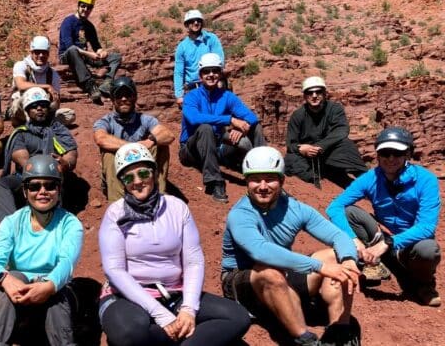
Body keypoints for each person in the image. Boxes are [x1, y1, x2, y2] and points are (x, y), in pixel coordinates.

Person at [98, 143, 250, 346]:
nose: (137, 182)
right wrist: (160, 314)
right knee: (129, 333)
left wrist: (188, 309)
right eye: (128, 177)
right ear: (122, 182)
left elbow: (193, 261)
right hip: (126, 296)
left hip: (174, 293)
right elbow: (114, 270)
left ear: (153, 173)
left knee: (237, 317)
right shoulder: (115, 213)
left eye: (143, 173)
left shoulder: (177, 208)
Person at [221, 147, 361, 346]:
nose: (262, 186)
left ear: (281, 180)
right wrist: (319, 267)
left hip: (282, 275)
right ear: (246, 181)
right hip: (243, 281)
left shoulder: (295, 209)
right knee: (269, 271)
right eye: (255, 179)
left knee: (336, 257)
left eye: (269, 178)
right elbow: (260, 250)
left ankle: (340, 332)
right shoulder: (240, 214)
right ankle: (304, 339)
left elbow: (338, 235)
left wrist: (348, 260)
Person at [327, 127, 441, 307]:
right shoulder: (370, 178)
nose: (390, 158)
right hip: (382, 236)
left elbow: (426, 227)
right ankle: (373, 265)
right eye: (385, 153)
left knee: (428, 250)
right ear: (378, 155)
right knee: (349, 212)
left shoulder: (426, 180)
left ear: (407, 154)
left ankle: (423, 284)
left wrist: (388, 244)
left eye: (397, 153)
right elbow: (335, 207)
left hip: (410, 243)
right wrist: (353, 239)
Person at [0, 154, 84, 346]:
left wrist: (48, 285)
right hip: (20, 294)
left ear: (59, 190)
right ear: (24, 191)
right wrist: (6, 280)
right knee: (9, 280)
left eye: (50, 185)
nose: (42, 192)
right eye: (34, 186)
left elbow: (66, 263)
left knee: (58, 290)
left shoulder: (70, 224)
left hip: (54, 291)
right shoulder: (11, 223)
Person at [178, 53, 266, 203]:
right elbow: (194, 119)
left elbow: (251, 117)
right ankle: (215, 182)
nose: (211, 74)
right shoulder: (191, 97)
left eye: (215, 70)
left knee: (255, 127)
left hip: (216, 147)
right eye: (206, 71)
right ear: (200, 75)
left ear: (220, 74)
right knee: (205, 127)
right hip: (190, 151)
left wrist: (241, 128)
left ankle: (264, 171)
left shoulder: (227, 96)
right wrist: (230, 119)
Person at [0, 87, 78, 223]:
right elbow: (21, 158)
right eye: (34, 106)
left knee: (52, 184)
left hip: (53, 178)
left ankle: (49, 221)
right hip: (25, 178)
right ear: (27, 111)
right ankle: (11, 226)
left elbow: (71, 153)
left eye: (43, 105)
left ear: (48, 108)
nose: (39, 108)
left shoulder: (59, 130)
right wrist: (39, 171)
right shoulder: (21, 133)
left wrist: (66, 163)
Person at [93, 76, 174, 202]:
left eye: (128, 95)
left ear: (134, 98)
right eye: (119, 96)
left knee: (160, 144)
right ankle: (119, 205)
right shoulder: (105, 121)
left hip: (142, 171)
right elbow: (101, 138)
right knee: (108, 154)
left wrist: (151, 140)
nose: (124, 99)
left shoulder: (145, 119)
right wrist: (135, 148)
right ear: (113, 100)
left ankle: (159, 196)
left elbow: (168, 135)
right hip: (120, 174)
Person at [285, 76, 367, 189]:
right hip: (307, 157)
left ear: (324, 94)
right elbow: (291, 143)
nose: (314, 96)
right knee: (290, 159)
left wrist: (320, 146)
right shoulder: (298, 115)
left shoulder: (334, 109)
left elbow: (341, 130)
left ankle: (367, 181)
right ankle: (313, 181)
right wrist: (302, 149)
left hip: (329, 152)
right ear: (305, 96)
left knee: (346, 145)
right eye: (310, 92)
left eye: (318, 92)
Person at [58, 0, 122, 104]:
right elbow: (70, 46)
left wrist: (101, 52)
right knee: (73, 50)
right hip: (67, 55)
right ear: (78, 6)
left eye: (89, 8)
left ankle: (107, 83)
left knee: (115, 57)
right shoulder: (68, 22)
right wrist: (89, 54)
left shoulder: (89, 26)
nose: (85, 9)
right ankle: (90, 85)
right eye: (83, 6)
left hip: (84, 56)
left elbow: (96, 46)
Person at [8, 35, 75, 127]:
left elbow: (56, 102)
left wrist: (55, 99)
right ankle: (27, 124)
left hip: (42, 110)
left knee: (70, 114)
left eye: (44, 52)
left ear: (48, 54)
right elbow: (21, 85)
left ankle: (40, 123)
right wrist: (47, 86)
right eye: (37, 52)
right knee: (16, 104)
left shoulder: (52, 74)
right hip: (24, 108)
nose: (41, 55)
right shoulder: (21, 65)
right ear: (31, 52)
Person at [173, 9, 224, 104]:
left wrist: (220, 80)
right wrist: (179, 95)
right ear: (187, 25)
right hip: (193, 90)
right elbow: (178, 73)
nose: (196, 23)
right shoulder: (182, 47)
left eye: (198, 20)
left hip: (214, 85)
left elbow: (220, 61)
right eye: (192, 21)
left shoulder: (211, 39)